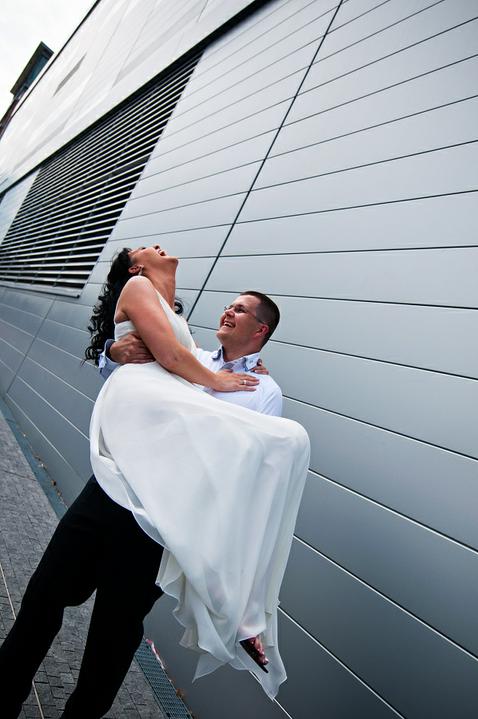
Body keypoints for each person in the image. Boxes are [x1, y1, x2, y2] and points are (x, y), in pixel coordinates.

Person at [0, 245, 309, 717]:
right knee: (44, 593)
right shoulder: (193, 355)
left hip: (159, 526)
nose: (228, 311)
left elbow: (249, 468)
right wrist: (112, 350)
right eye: (229, 305)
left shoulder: (265, 392)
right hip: (111, 493)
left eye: (241, 309)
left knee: (114, 636)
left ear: (260, 330)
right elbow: (135, 371)